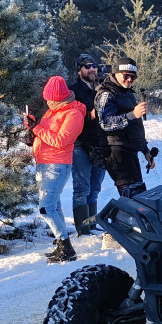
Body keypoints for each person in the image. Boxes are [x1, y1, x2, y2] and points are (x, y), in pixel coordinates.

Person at [24, 76, 85, 263]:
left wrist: (37, 129)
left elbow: (60, 141)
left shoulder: (73, 114)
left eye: (51, 99)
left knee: (46, 208)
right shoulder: (52, 112)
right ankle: (62, 244)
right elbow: (43, 135)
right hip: (44, 164)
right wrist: (32, 127)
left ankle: (66, 248)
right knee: (54, 205)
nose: (48, 102)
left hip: (56, 165)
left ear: (61, 98)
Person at [95, 57, 156, 194]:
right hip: (117, 152)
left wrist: (145, 151)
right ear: (116, 73)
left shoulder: (126, 92)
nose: (129, 80)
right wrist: (132, 114)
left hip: (130, 151)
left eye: (133, 77)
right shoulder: (107, 93)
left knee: (139, 196)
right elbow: (105, 122)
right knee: (132, 199)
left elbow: (134, 126)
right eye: (126, 76)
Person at [68, 54, 107, 235]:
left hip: (101, 144)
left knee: (95, 188)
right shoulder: (73, 91)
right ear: (79, 71)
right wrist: (90, 114)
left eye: (94, 65)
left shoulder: (103, 88)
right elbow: (70, 117)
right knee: (81, 189)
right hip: (81, 145)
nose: (92, 69)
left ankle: (91, 224)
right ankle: (83, 230)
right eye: (86, 66)